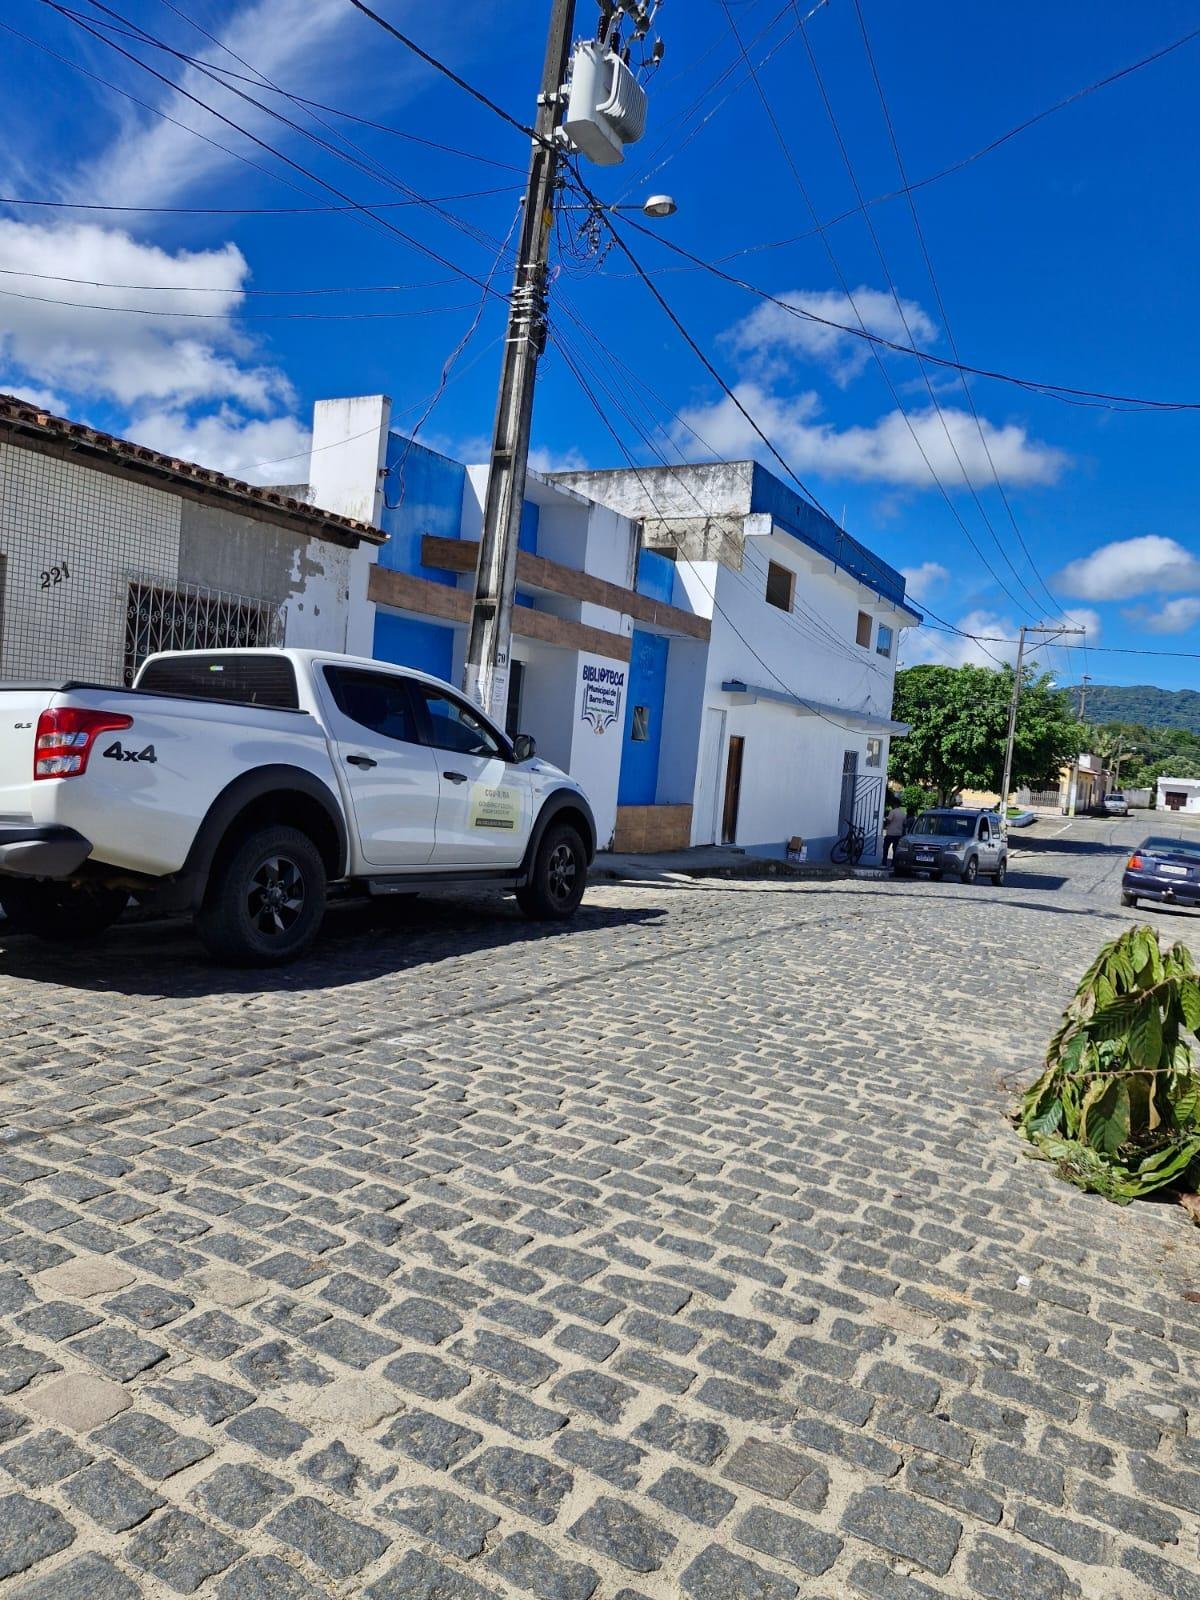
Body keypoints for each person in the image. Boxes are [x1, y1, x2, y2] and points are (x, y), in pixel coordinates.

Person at [882, 797, 907, 866]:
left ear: (895, 804)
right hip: (898, 834)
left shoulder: (892, 812)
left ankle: (884, 862)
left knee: (885, 848)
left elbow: (888, 821)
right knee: (895, 850)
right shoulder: (903, 813)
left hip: (890, 833)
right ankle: (893, 863)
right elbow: (904, 824)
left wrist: (885, 821)